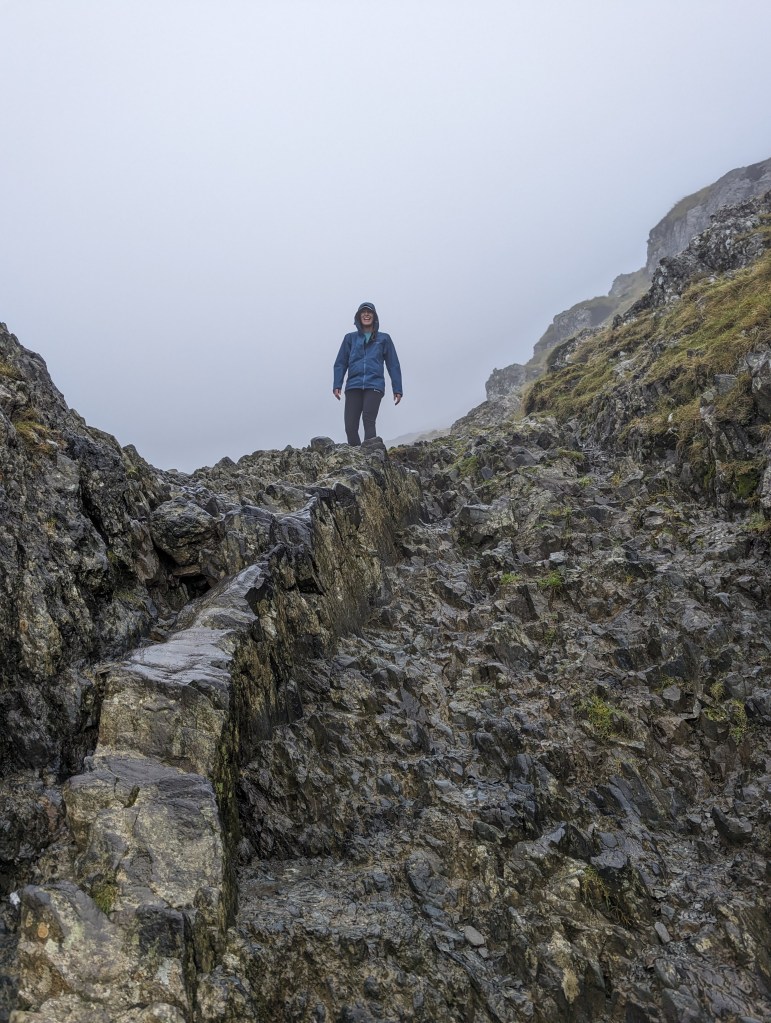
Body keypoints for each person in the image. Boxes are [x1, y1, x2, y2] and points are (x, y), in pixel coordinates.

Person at [333, 301, 403, 445]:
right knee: (350, 426)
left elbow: (393, 364)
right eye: (363, 312)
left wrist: (397, 388)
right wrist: (337, 384)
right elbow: (341, 362)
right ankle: (356, 455)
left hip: (374, 385)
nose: (366, 314)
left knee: (368, 420)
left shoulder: (384, 338)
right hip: (353, 385)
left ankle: (370, 455)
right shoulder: (350, 338)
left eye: (369, 312)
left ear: (374, 316)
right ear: (358, 317)